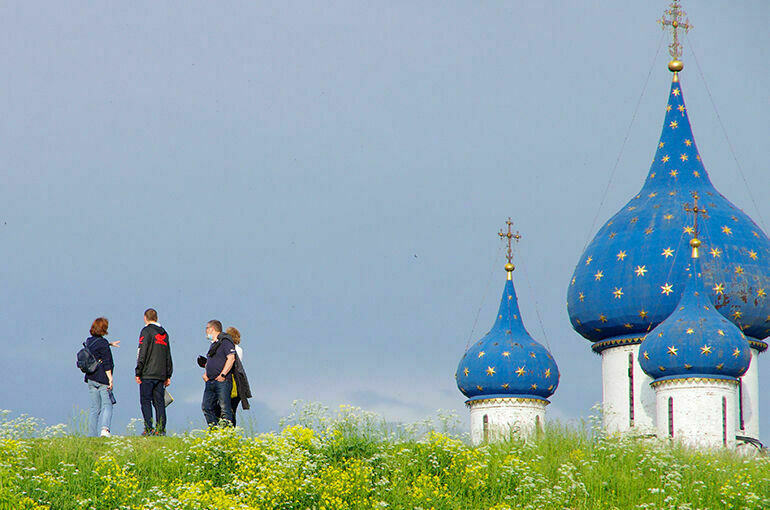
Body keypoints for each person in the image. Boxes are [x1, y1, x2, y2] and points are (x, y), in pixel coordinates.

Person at [135, 308, 173, 435]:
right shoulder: (164, 333)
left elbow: (142, 352)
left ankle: (148, 428)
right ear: (156, 318)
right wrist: (168, 374)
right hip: (161, 374)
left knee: (145, 401)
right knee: (159, 402)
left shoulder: (146, 331)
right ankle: (161, 429)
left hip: (147, 373)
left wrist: (138, 371)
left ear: (145, 318)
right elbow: (168, 355)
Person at [84, 317, 115, 437]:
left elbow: (97, 350)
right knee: (107, 405)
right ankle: (105, 430)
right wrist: (110, 379)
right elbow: (107, 363)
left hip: (91, 378)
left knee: (94, 408)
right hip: (102, 379)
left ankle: (91, 434)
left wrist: (109, 344)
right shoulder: (103, 343)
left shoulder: (89, 341)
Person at [201, 320, 236, 426]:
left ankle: (227, 433)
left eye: (207, 328)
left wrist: (223, 374)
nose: (206, 331)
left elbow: (231, 358)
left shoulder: (225, 341)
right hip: (210, 381)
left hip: (222, 381)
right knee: (206, 407)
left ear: (212, 329)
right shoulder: (213, 345)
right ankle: (214, 432)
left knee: (224, 408)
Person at [225, 326, 246, 426]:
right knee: (233, 410)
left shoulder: (229, 349)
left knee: (226, 409)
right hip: (238, 383)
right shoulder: (240, 349)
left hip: (229, 380)